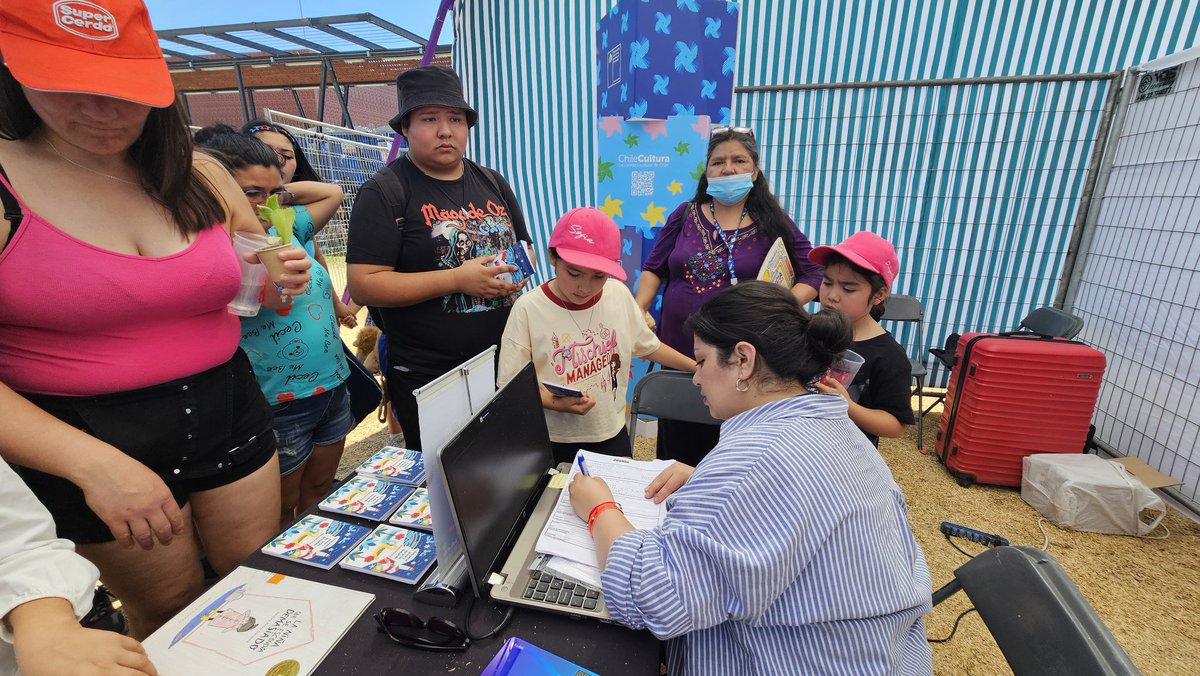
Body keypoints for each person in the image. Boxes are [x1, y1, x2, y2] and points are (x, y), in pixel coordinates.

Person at [0, 0, 310, 639]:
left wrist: (274, 279)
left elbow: (255, 266)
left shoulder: (200, 172)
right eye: (68, 87)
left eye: (124, 89)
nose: (104, 112)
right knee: (171, 613)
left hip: (228, 403)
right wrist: (91, 465)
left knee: (254, 581)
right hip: (85, 432)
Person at [569, 281, 933, 675]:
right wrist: (709, 480)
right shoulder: (834, 423)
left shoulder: (754, 462)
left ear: (743, 360)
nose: (695, 378)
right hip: (882, 654)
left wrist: (600, 507)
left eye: (703, 361)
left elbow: (652, 598)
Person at [347, 65, 530, 451]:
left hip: (504, 360)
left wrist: (518, 270)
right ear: (405, 128)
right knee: (444, 477)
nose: (445, 130)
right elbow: (364, 283)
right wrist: (454, 279)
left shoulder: (493, 181)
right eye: (429, 119)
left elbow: (523, 246)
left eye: (455, 119)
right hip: (430, 374)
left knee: (505, 464)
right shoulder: (385, 191)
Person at [634, 125, 823, 466]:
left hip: (742, 363)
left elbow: (814, 271)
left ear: (755, 169)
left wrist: (777, 307)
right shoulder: (685, 215)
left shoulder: (772, 220)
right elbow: (654, 267)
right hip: (678, 353)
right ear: (707, 172)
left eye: (739, 160)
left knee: (732, 452)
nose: (728, 169)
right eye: (718, 162)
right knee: (678, 447)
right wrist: (638, 308)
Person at [195, 126, 356, 525]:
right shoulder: (209, 250)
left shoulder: (285, 228)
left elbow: (331, 192)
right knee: (279, 512)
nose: (265, 205)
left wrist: (275, 197)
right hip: (277, 401)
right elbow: (266, 300)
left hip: (331, 385)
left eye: (273, 193)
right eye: (252, 193)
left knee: (320, 491)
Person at [498, 207, 695, 464]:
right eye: (574, 273)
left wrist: (696, 367)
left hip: (610, 434)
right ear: (552, 257)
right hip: (550, 440)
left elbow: (649, 346)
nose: (584, 287)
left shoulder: (618, 295)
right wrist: (553, 402)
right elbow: (511, 386)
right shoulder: (528, 309)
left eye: (599, 276)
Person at [242, 118, 358, 329]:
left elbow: (333, 193)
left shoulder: (292, 217)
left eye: (286, 156)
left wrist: (336, 303)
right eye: (266, 153)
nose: (277, 162)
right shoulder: (234, 228)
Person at [809, 231, 915, 446]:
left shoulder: (889, 355)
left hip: (846, 457)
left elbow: (895, 425)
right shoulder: (808, 329)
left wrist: (848, 406)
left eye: (848, 288)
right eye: (827, 283)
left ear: (878, 295)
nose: (832, 296)